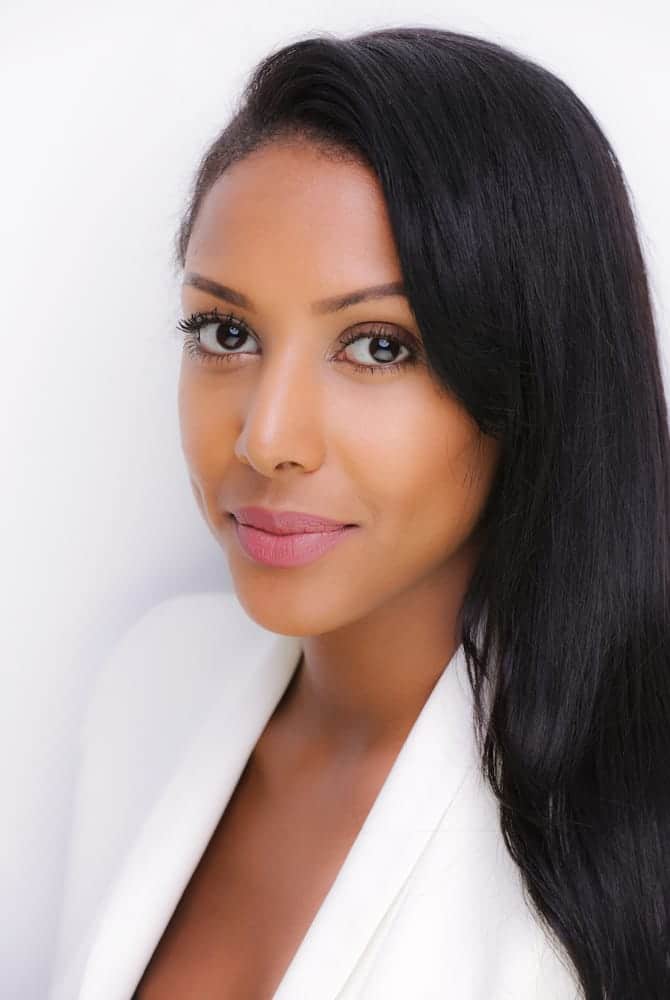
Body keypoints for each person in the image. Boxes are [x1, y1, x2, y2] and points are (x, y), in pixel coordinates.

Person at [50, 25, 670, 1000]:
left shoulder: (637, 827)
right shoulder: (149, 688)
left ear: (532, 377)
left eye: (378, 345)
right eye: (226, 330)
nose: (267, 438)